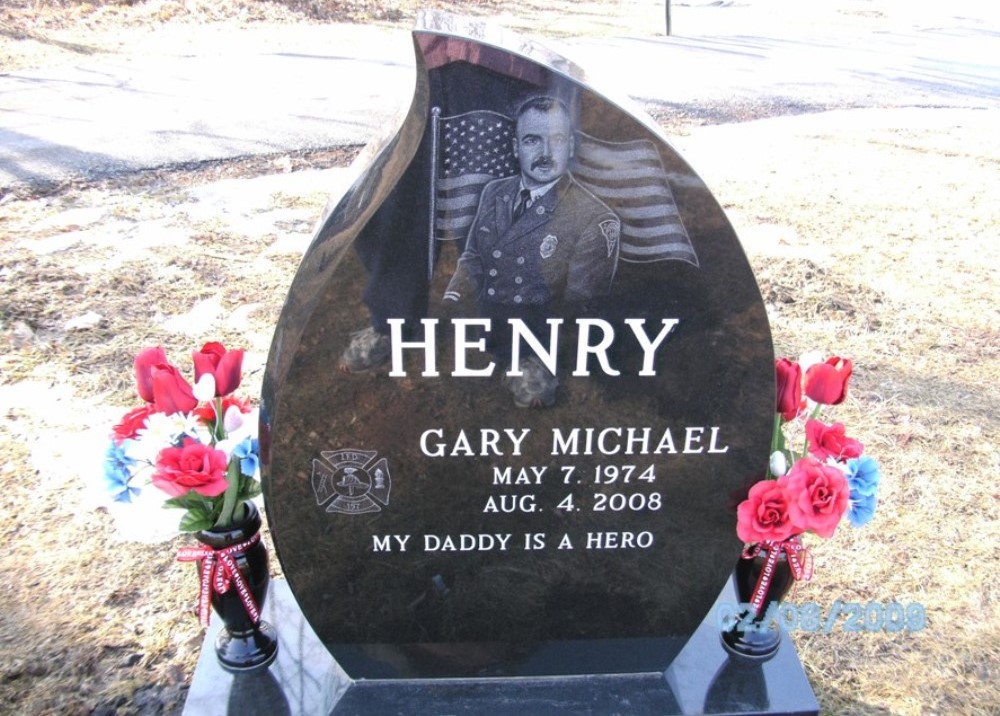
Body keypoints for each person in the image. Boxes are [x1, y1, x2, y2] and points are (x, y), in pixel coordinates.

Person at [443, 95, 621, 407]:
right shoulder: (495, 192)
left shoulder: (594, 218)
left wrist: (541, 356)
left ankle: (531, 366)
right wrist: (453, 299)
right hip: (489, 322)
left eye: (556, 140)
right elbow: (474, 256)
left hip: (537, 336)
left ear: (571, 147)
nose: (545, 153)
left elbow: (579, 307)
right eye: (531, 140)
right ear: (515, 148)